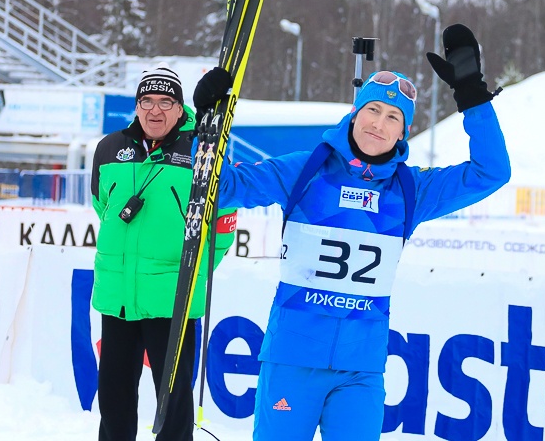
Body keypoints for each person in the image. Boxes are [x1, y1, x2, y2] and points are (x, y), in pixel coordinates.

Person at [191, 24, 511, 440]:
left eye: (393, 117)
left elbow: (491, 172)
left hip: (360, 369)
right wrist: (204, 126)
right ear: (355, 113)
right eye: (373, 110)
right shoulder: (303, 170)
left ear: (404, 132)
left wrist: (472, 96)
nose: (379, 123)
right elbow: (221, 188)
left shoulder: (412, 190)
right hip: (292, 359)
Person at [91, 62, 238, 441]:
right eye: (147, 101)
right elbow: (101, 205)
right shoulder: (110, 147)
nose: (155, 110)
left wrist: (196, 272)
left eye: (165, 102)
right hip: (118, 296)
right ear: (137, 105)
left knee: (172, 405)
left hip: (173, 297)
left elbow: (222, 225)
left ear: (179, 108)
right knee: (113, 400)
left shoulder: (204, 149)